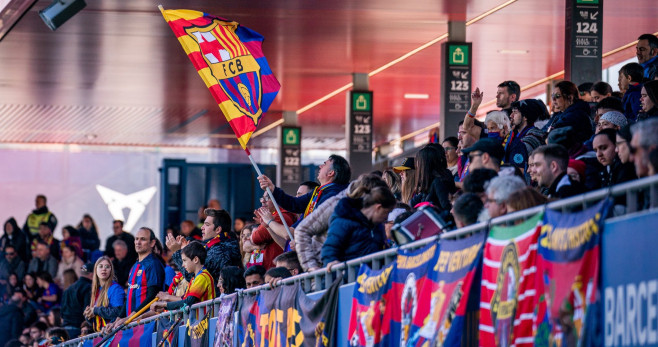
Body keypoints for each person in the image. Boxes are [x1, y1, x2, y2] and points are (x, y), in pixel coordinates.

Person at [294, 174, 388, 272]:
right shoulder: (336, 203)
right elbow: (302, 230)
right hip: (326, 270)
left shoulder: (369, 212)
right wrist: (311, 266)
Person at [257, 155, 351, 227]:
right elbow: (294, 204)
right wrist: (272, 188)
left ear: (331, 173)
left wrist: (270, 222)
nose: (320, 166)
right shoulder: (320, 191)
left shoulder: (333, 195)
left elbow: (315, 222)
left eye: (324, 164)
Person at [322, 186, 395, 266]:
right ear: (378, 208)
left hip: (371, 276)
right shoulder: (344, 221)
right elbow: (329, 249)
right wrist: (333, 263)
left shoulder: (377, 226)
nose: (386, 217)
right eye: (386, 212)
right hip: (349, 276)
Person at [168, 209, 241, 283]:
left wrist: (177, 252)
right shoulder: (219, 245)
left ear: (218, 229)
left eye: (207, 224)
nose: (202, 227)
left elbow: (195, 278)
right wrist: (186, 250)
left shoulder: (220, 252)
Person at [151, 241, 215, 313]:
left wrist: (164, 305)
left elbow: (187, 302)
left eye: (184, 261)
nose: (182, 265)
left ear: (196, 259)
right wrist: (164, 305)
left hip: (204, 322)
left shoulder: (202, 277)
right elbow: (184, 298)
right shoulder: (195, 278)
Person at [252, 192, 297, 269]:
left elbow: (255, 238)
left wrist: (255, 231)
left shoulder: (280, 216)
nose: (263, 201)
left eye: (267, 198)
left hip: (277, 268)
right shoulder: (273, 216)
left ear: (278, 200)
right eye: (262, 198)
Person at [84, 256, 125, 332]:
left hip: (114, 333)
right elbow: (96, 321)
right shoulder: (96, 291)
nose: (104, 269)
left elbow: (118, 312)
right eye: (100, 266)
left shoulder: (115, 288)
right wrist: (88, 315)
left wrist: (95, 310)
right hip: (101, 335)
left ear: (111, 270)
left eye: (107, 267)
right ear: (95, 270)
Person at [410, 145, 456, 211]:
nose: (416, 165)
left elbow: (447, 209)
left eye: (418, 161)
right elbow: (412, 203)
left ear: (424, 163)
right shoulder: (430, 182)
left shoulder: (440, 181)